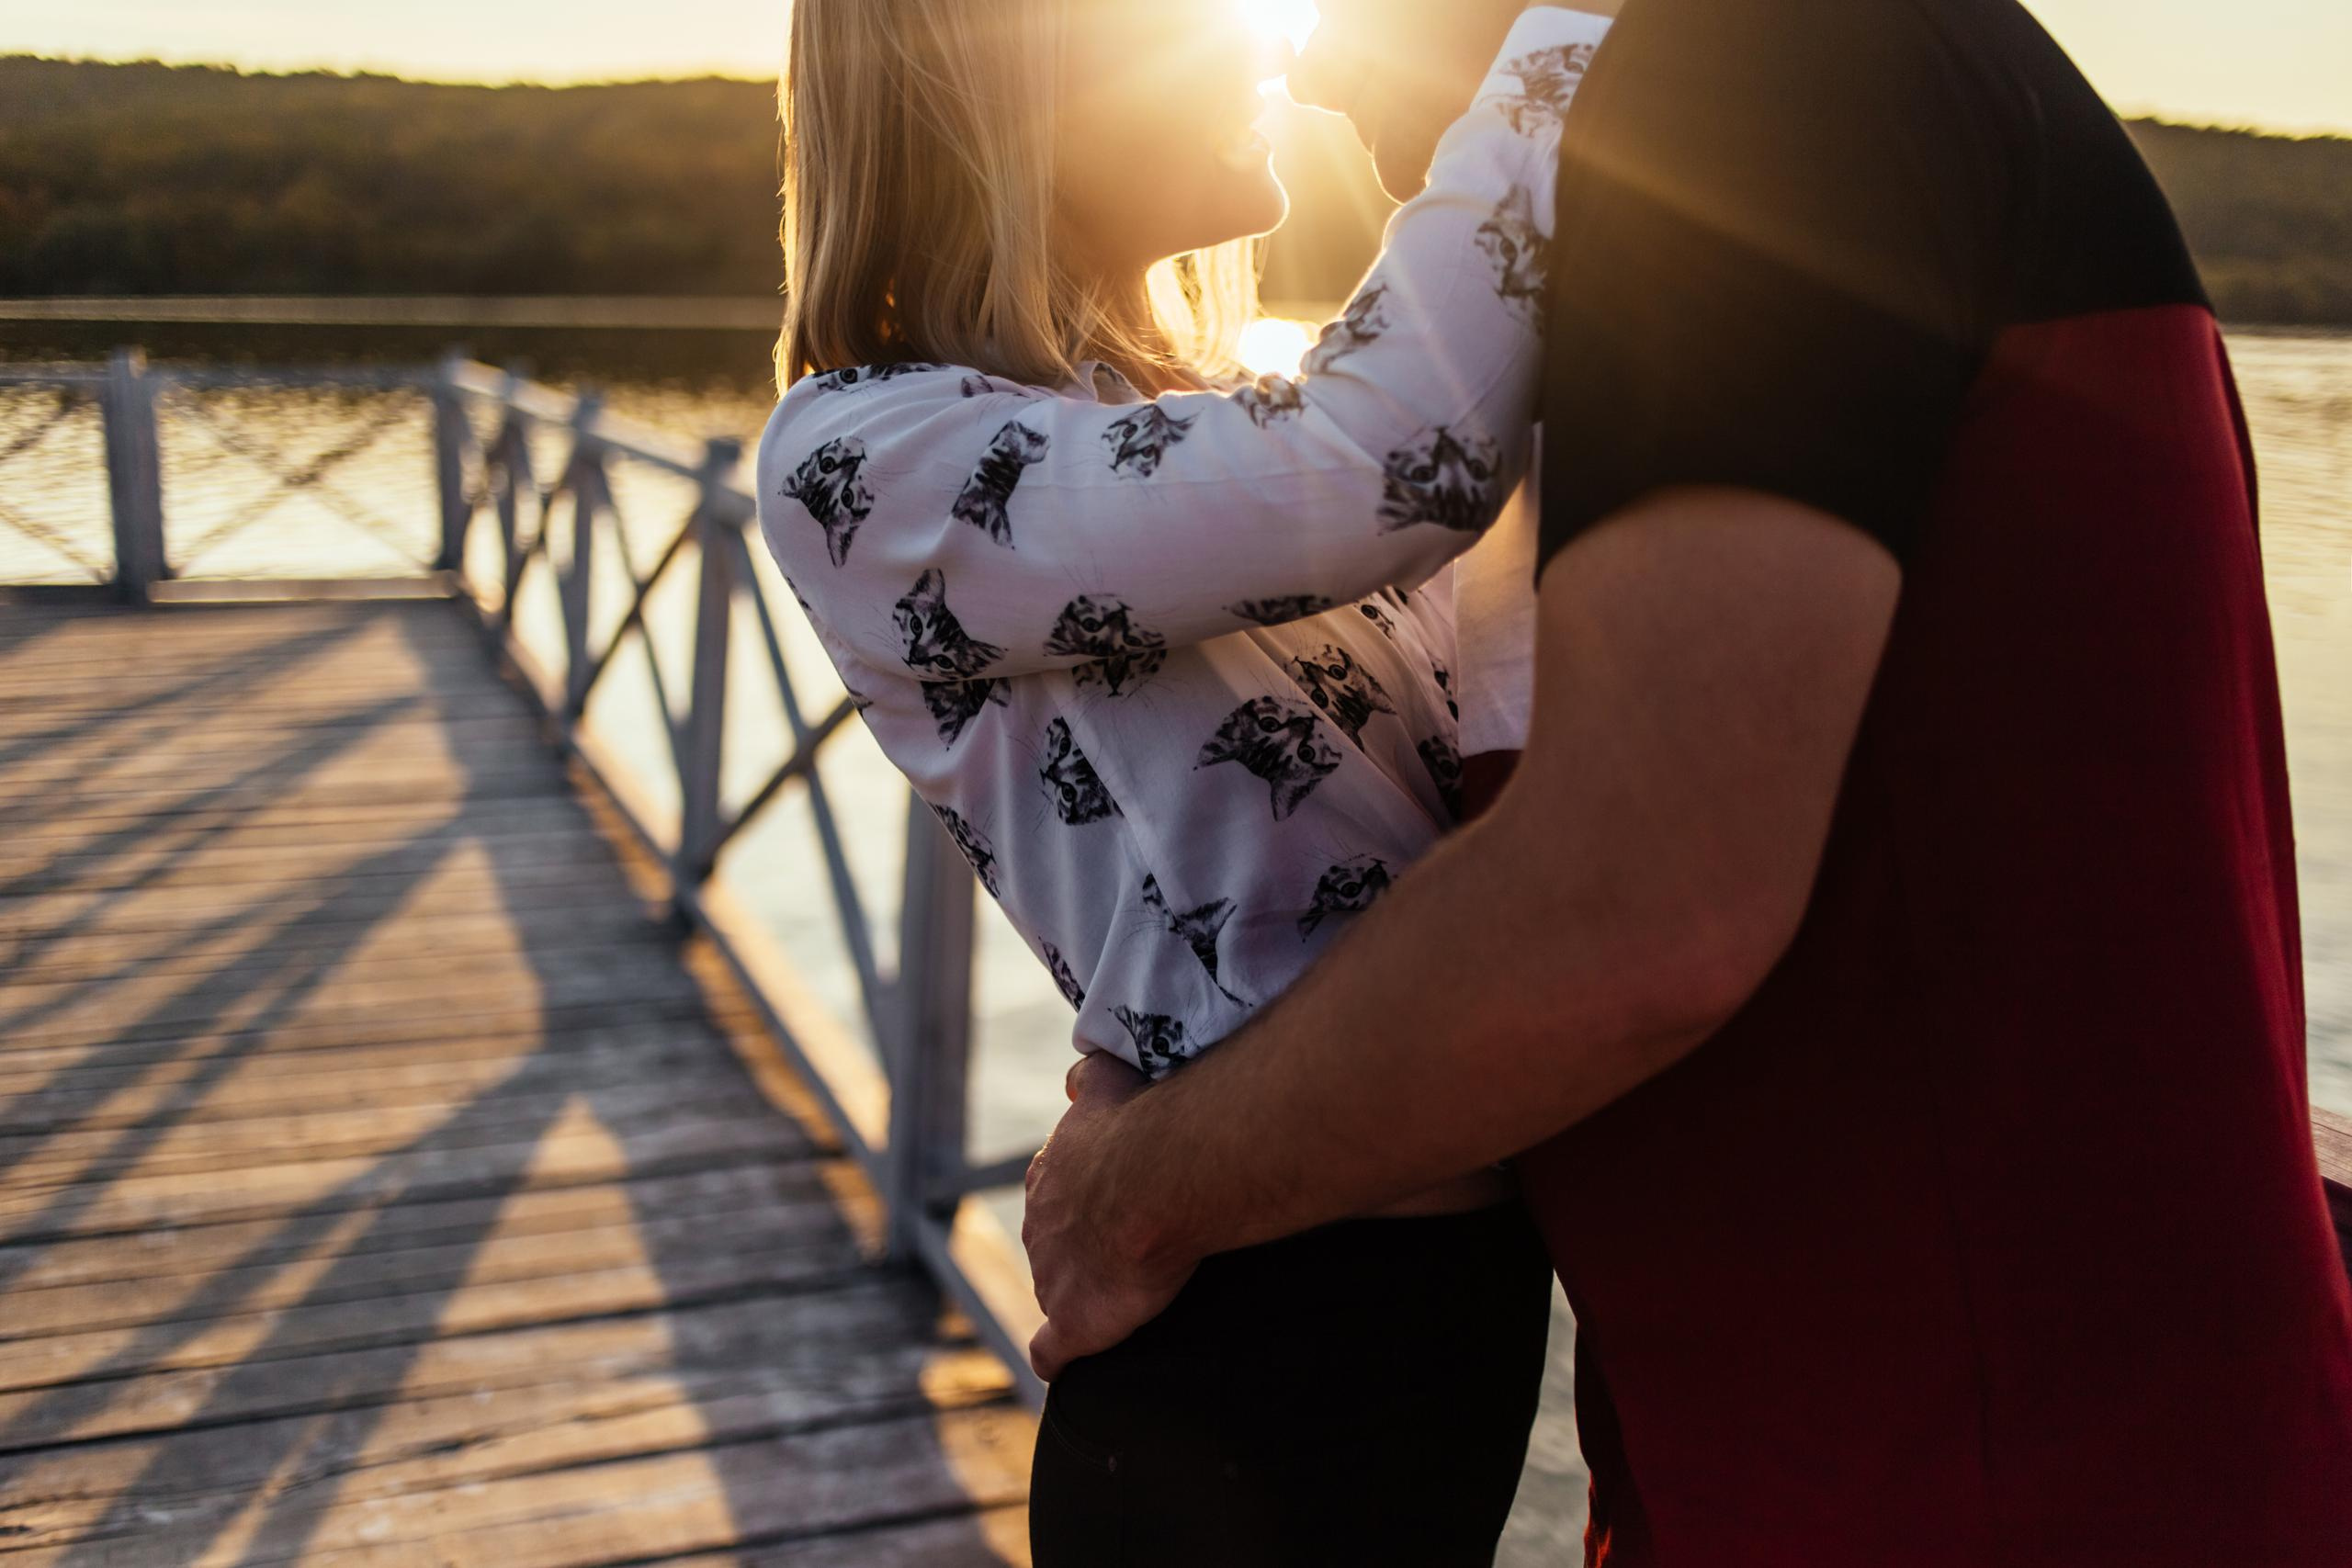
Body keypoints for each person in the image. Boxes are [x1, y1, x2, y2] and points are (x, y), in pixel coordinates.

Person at [1023, 0, 2352, 1563]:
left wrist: (1130, 1200)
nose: (1307, 63)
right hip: (1820, 1475)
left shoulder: (1772, 64)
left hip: (2009, 1498)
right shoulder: (1694, 181)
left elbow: (1640, 907)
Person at [757, 0, 1621, 1560]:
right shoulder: (865, 459)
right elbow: (1400, 459)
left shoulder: (1192, 411)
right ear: (1003, 83)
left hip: (1435, 1310)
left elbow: (1489, 603)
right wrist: (1569, 36)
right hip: (1253, 1342)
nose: (1259, 50)